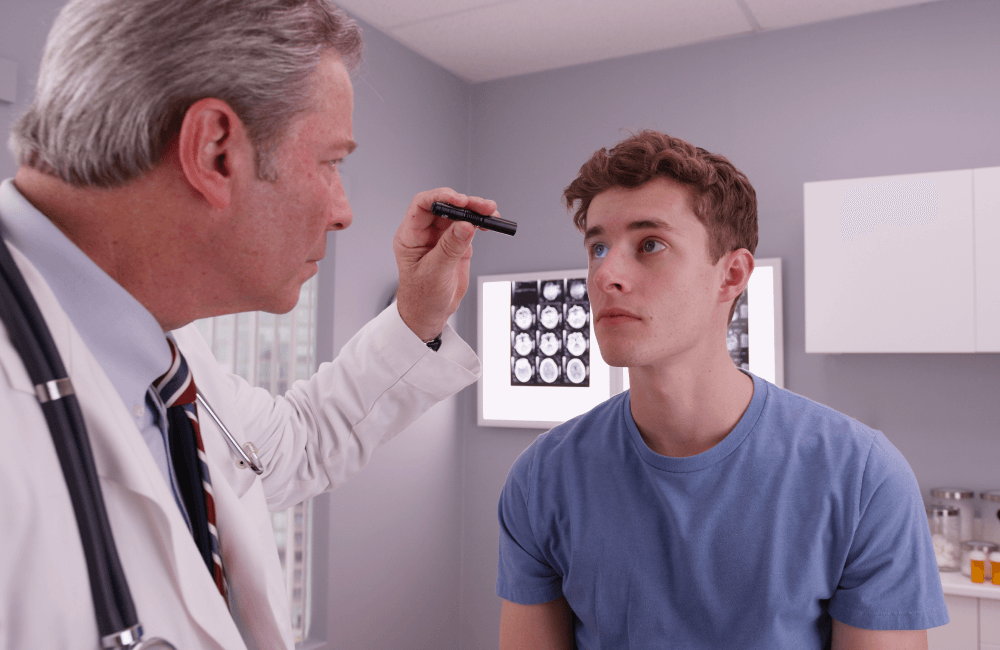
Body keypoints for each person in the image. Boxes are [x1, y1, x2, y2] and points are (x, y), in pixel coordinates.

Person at [0, 1, 491, 648]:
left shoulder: (163, 356)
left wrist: (416, 317)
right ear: (215, 149)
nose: (344, 213)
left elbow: (296, 444)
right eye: (331, 162)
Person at [495, 131, 948, 649]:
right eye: (598, 247)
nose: (606, 275)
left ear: (731, 275)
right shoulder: (542, 478)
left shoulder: (863, 478)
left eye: (650, 245)